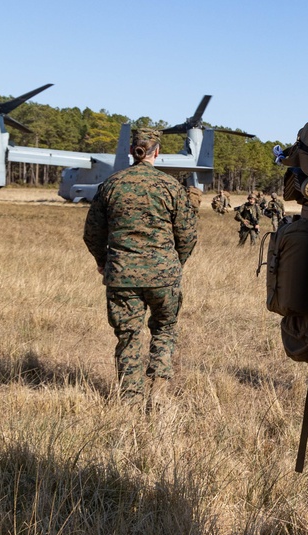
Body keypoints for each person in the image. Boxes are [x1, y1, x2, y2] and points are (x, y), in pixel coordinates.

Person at [83, 127, 198, 409]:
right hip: (163, 277)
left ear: (132, 151)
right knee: (164, 329)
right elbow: (187, 234)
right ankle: (158, 391)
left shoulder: (111, 185)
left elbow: (92, 233)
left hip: (122, 277)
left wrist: (103, 261)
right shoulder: (171, 187)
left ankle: (130, 400)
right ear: (157, 151)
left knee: (128, 335)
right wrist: (174, 264)